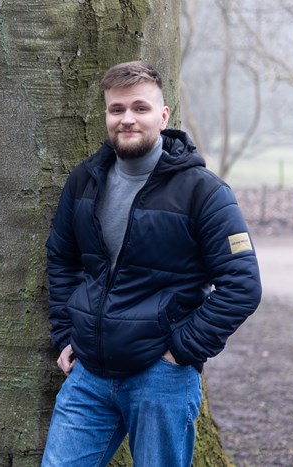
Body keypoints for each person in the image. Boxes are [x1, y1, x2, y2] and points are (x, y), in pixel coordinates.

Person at [42, 61, 262, 466]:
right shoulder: (84, 181)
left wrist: (182, 350)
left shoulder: (203, 192)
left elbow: (242, 284)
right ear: (106, 115)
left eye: (140, 108)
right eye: (117, 109)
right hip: (88, 374)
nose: (128, 119)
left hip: (160, 377)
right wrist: (65, 333)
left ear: (163, 116)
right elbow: (62, 257)